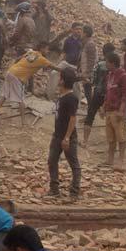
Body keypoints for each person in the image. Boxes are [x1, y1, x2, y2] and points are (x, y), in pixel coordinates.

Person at [0, 44, 59, 126]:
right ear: (41, 49)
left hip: (11, 72)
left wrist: (20, 67)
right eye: (46, 49)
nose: (47, 51)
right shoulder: (42, 59)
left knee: (4, 95)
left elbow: (18, 59)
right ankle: (24, 123)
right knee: (21, 100)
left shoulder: (31, 53)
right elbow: (55, 67)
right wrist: (67, 71)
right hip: (17, 76)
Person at [47, 68, 82, 197]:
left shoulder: (71, 98)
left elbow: (73, 119)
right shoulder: (62, 96)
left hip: (68, 136)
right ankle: (54, 189)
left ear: (62, 80)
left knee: (73, 163)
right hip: (57, 135)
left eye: (59, 77)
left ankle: (74, 191)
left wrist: (67, 138)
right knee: (52, 160)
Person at [101, 52, 126, 169]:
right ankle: (110, 159)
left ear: (112, 63)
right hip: (109, 110)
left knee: (121, 137)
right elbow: (107, 93)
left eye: (107, 62)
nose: (106, 64)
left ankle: (121, 160)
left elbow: (125, 96)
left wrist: (121, 111)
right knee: (111, 137)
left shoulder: (124, 77)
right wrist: (103, 108)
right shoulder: (109, 76)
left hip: (117, 110)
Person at [83, 43, 116, 145]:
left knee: (90, 115)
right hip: (111, 95)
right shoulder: (116, 66)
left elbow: (93, 81)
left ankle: (85, 141)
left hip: (98, 93)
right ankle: (112, 144)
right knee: (112, 118)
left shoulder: (99, 64)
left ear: (103, 52)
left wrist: (87, 81)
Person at [79, 25, 97, 105]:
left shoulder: (90, 44)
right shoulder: (86, 43)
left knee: (88, 93)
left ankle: (90, 112)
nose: (80, 33)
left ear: (85, 34)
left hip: (88, 73)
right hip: (85, 72)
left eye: (82, 32)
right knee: (87, 92)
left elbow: (91, 61)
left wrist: (86, 74)